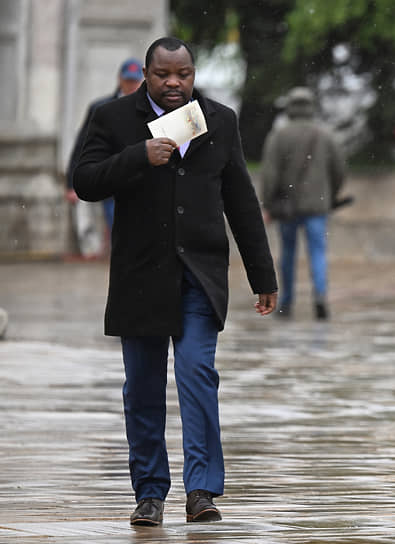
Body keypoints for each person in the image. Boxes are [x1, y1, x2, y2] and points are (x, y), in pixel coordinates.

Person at [73, 37, 278, 526]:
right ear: (146, 74)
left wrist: (262, 274)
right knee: (142, 389)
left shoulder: (220, 120)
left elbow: (242, 202)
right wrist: (138, 156)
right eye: (163, 75)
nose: (173, 83)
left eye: (182, 74)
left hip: (199, 277)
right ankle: (149, 493)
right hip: (139, 276)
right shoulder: (113, 119)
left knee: (197, 378)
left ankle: (202, 491)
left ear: (192, 73)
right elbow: (85, 181)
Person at [261, 87, 345, 320]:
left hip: (287, 207)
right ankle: (319, 296)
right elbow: (339, 170)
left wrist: (268, 204)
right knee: (318, 252)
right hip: (318, 206)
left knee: (287, 254)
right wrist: (331, 196)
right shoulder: (324, 135)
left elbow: (270, 174)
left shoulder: (279, 136)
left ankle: (287, 301)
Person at [65, 58, 144, 258]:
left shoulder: (151, 109)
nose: (131, 86)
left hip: (142, 179)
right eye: (128, 81)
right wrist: (71, 182)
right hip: (111, 175)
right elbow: (83, 144)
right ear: (119, 79)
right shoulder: (101, 109)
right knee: (116, 220)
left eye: (135, 82)